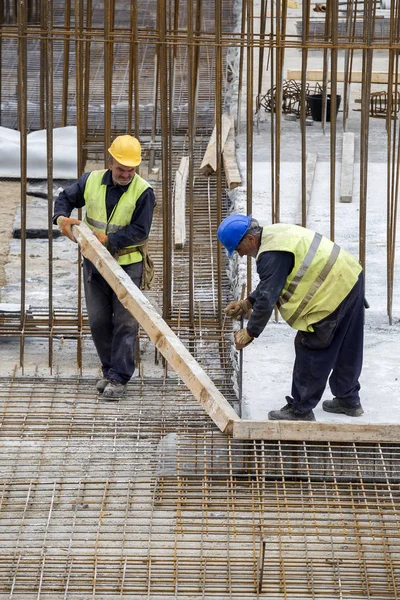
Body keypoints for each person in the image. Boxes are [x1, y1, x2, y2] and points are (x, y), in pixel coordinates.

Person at [217, 214, 365, 422]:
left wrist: (250, 333)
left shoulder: (270, 255)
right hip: (349, 278)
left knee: (311, 345)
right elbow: (274, 279)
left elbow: (269, 296)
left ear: (250, 240)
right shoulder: (275, 236)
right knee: (347, 344)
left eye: (239, 250)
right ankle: (348, 399)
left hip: (331, 292)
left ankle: (301, 409)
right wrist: (248, 302)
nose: (240, 256)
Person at [53, 135, 156, 400]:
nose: (125, 174)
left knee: (125, 322)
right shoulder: (91, 180)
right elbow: (65, 197)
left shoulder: (143, 192)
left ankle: (119, 378)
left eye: (131, 170)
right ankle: (109, 371)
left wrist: (109, 240)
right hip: (94, 263)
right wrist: (61, 218)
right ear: (111, 162)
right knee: (99, 321)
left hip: (127, 264)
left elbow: (140, 231)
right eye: (121, 169)